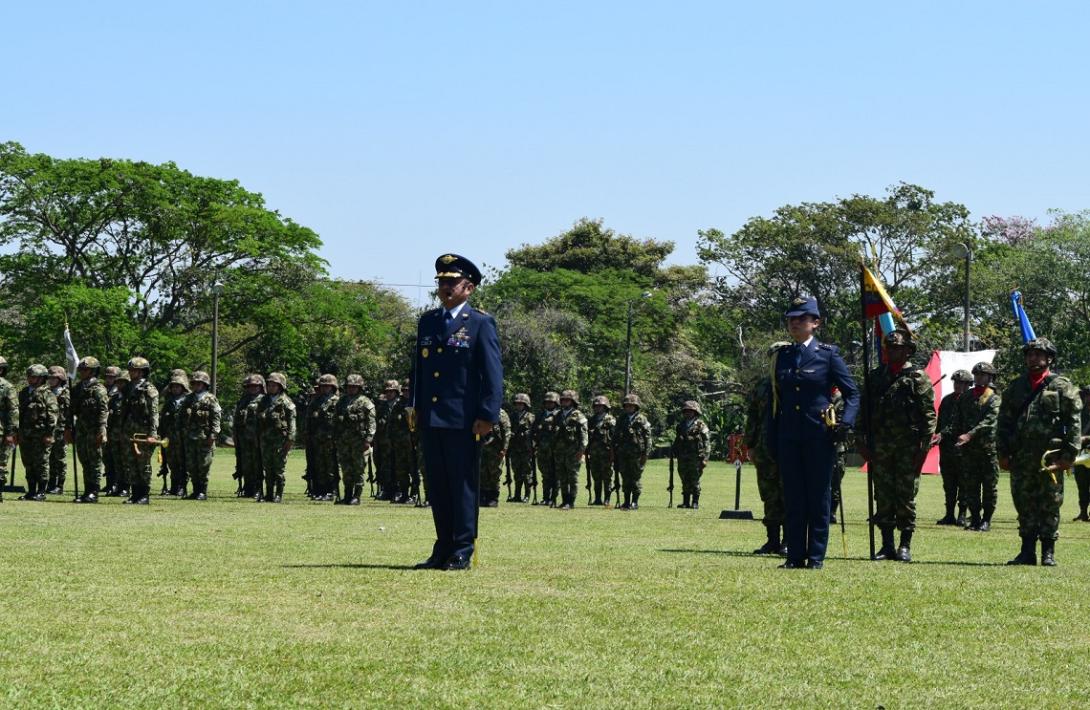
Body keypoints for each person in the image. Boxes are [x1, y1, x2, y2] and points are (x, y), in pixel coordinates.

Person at [410, 253, 502, 571]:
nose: (446, 287)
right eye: (442, 282)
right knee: (436, 485)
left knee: (462, 485)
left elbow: (492, 374)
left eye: (453, 282)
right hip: (432, 419)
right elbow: (418, 372)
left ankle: (462, 547)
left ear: (469, 288)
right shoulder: (428, 322)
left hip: (464, 421)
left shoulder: (479, 323)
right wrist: (415, 408)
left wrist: (488, 415)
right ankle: (442, 546)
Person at [770, 297, 859, 570]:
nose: (794, 323)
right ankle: (795, 555)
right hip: (789, 436)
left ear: (815, 323)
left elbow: (853, 393)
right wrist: (771, 436)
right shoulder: (782, 356)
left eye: (801, 318)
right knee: (794, 497)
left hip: (820, 436)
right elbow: (776, 400)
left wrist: (845, 424)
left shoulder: (828, 354)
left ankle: (816, 556)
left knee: (818, 497)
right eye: (791, 319)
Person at [997, 338, 1081, 566]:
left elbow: (1074, 423)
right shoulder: (1015, 387)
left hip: (1050, 458)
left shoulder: (1062, 386)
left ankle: (1048, 552)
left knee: (1050, 504)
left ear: (1049, 358)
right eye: (1030, 354)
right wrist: (1002, 453)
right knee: (1024, 504)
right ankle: (1027, 552)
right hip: (1021, 456)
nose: (1033, 358)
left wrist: (1068, 456)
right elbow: (1003, 423)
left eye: (1038, 354)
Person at [858, 328, 935, 563]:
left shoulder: (917, 377)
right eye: (889, 348)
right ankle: (887, 544)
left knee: (905, 497)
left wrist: (924, 447)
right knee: (883, 496)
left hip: (908, 447)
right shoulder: (875, 376)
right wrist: (860, 440)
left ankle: (904, 545)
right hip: (880, 446)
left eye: (898, 348)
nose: (893, 351)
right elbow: (864, 411)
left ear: (906, 350)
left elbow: (928, 415)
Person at [745, 345, 788, 555]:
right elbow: (752, 417)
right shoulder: (762, 386)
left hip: (789, 446)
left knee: (789, 493)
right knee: (769, 494)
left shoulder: (793, 383)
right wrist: (750, 445)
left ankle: (789, 540)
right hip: (764, 448)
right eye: (774, 357)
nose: (777, 360)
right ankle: (772, 540)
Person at [955, 362, 1001, 531]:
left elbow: (989, 422)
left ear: (990, 378)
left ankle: (986, 520)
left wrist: (969, 434)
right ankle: (974, 518)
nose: (979, 377)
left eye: (983, 375)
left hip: (988, 450)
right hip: (969, 451)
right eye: (977, 374)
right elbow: (958, 420)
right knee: (970, 486)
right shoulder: (966, 397)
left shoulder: (994, 399)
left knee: (989, 487)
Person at [934, 369, 972, 525]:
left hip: (963, 447)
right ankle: (949, 514)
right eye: (956, 382)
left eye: (961, 383)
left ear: (968, 385)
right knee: (949, 483)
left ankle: (962, 514)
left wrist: (942, 433)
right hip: (947, 448)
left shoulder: (970, 401)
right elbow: (941, 422)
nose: (958, 385)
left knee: (963, 482)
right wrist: (937, 436)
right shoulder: (947, 400)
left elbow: (959, 425)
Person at [69, 356, 110, 503]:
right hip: (81, 430)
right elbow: (72, 410)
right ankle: (87, 490)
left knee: (94, 462)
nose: (82, 372)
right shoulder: (78, 389)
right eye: (81, 369)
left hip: (94, 430)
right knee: (85, 461)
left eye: (85, 370)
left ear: (93, 371)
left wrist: (101, 430)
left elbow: (103, 411)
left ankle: (94, 492)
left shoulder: (99, 389)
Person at [121, 357, 159, 505]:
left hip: (143, 431)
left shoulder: (149, 389)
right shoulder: (128, 388)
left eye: (134, 370)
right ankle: (135, 493)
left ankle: (144, 494)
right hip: (128, 431)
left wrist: (153, 434)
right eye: (130, 370)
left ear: (143, 371)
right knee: (130, 463)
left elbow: (154, 413)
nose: (131, 373)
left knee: (143, 463)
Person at [17, 364, 58, 501]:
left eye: (33, 377)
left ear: (41, 378)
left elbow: (52, 415)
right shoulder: (23, 393)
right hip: (25, 434)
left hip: (41, 435)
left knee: (41, 463)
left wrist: (49, 434)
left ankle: (41, 491)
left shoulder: (47, 394)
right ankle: (31, 491)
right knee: (28, 463)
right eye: (29, 376)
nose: (30, 379)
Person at [333, 374, 375, 506]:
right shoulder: (341, 401)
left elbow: (371, 423)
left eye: (354, 387)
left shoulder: (366, 402)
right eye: (349, 386)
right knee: (346, 469)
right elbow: (335, 420)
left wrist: (368, 439)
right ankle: (347, 495)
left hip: (359, 441)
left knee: (358, 469)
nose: (351, 389)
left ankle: (357, 496)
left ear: (359, 387)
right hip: (344, 441)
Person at [181, 371, 220, 500]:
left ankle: (202, 491)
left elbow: (216, 417)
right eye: (194, 383)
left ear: (204, 385)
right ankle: (195, 490)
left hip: (204, 437)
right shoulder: (189, 398)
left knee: (203, 465)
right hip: (190, 437)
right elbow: (181, 417)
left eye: (199, 383)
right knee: (192, 465)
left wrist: (213, 435)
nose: (196, 386)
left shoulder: (210, 399)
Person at [258, 372, 296, 503]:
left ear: (280, 386)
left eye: (274, 385)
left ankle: (278, 494)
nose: (271, 387)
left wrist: (290, 440)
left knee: (279, 468)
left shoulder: (286, 402)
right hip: (266, 439)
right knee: (268, 468)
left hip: (280, 440)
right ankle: (268, 494)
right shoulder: (264, 401)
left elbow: (292, 422)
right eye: (269, 385)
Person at [612, 393, 652, 510]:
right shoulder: (621, 419)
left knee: (635, 477)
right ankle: (626, 501)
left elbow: (647, 437)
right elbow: (615, 436)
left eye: (631, 406)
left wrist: (646, 454)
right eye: (627, 406)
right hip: (623, 453)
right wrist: (613, 451)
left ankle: (634, 501)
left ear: (636, 407)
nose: (629, 408)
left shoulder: (642, 419)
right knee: (625, 477)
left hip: (637, 454)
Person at [307, 374, 341, 502]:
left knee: (331, 466)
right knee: (319, 466)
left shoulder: (338, 402)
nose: (325, 389)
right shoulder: (315, 402)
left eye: (327, 386)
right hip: (317, 439)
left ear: (333, 387)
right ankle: (320, 490)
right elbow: (308, 421)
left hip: (332, 439)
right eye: (322, 386)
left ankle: (332, 490)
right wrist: (308, 436)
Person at [553, 390, 588, 510]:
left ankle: (571, 501)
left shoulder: (579, 415)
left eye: (567, 400)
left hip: (573, 452)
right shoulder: (558, 415)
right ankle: (564, 500)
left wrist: (581, 451)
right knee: (562, 477)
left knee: (572, 477)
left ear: (573, 401)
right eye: (562, 400)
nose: (564, 402)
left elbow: (584, 435)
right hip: (559, 452)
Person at [673, 400, 710, 509]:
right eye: (686, 411)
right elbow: (677, 440)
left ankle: (695, 502)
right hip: (683, 457)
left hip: (696, 458)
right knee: (684, 478)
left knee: (694, 479)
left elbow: (707, 443)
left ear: (695, 412)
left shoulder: (700, 425)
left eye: (690, 411)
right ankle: (685, 502)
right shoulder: (681, 425)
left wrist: (705, 459)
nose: (688, 413)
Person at [233, 374, 265, 499]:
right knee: (245, 464)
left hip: (257, 438)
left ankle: (258, 489)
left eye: (255, 386)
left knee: (258, 464)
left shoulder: (264, 400)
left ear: (260, 387)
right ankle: (248, 488)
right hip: (243, 438)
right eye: (250, 386)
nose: (252, 388)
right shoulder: (243, 400)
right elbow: (236, 419)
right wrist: (235, 435)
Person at [160, 370, 190, 496]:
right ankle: (174, 487)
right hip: (170, 437)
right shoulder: (168, 401)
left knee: (183, 462)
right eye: (173, 386)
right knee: (172, 462)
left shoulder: (188, 400)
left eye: (178, 386)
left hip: (183, 437)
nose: (175, 388)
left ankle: (182, 487)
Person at [478, 407, 511, 507]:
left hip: (495, 450)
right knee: (482, 473)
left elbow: (507, 432)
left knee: (494, 474)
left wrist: (504, 449)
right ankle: (482, 497)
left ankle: (493, 498)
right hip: (482, 448)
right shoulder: (480, 411)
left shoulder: (501, 413)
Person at [586, 395, 615, 506]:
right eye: (596, 406)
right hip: (594, 453)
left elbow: (614, 438)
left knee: (607, 477)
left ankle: (607, 499)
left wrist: (613, 454)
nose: (598, 408)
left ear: (605, 407)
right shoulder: (591, 420)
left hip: (606, 453)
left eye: (600, 406)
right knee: (596, 477)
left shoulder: (611, 420)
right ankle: (597, 499)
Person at [532, 391, 560, 506]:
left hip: (555, 449)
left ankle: (554, 498)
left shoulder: (559, 415)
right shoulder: (540, 415)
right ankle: (545, 497)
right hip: (542, 449)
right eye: (547, 402)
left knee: (555, 474)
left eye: (551, 402)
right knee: (545, 474)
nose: (549, 404)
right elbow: (533, 430)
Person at [46, 365, 70, 494]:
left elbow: (69, 412)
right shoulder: (46, 392)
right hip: (48, 430)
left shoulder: (66, 393)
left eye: (54, 378)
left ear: (60, 379)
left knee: (60, 459)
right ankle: (51, 483)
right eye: (49, 378)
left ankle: (59, 485)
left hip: (61, 429)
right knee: (49, 458)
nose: (51, 380)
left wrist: (69, 429)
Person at [373, 380, 399, 500]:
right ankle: (387, 490)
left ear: (396, 392)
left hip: (399, 442)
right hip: (384, 442)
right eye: (387, 392)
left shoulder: (400, 405)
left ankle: (399, 491)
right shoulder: (381, 406)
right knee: (385, 467)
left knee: (399, 467)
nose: (389, 394)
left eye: (391, 391)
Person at [105, 369, 129, 497]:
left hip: (126, 435)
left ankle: (126, 487)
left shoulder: (130, 398)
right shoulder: (114, 398)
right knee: (116, 462)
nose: (120, 385)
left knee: (126, 463)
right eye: (118, 382)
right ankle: (118, 486)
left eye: (123, 383)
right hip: (114, 435)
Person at [508, 394, 535, 503]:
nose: (519, 405)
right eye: (517, 403)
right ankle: (517, 495)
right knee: (516, 472)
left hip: (526, 449)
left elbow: (534, 433)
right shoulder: (512, 416)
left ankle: (527, 495)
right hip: (515, 448)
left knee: (527, 472)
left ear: (526, 404)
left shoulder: (531, 417)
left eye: (521, 404)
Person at [0, 357, 18, 503]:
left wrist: (10, 433)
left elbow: (13, 411)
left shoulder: (7, 387)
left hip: (1, 431)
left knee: (0, 464)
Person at [1072, 386, 1090, 522]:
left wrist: (1087, 438)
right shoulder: (1080, 412)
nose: (1087, 398)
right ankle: (1083, 512)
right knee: (1082, 485)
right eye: (1086, 395)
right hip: (1081, 454)